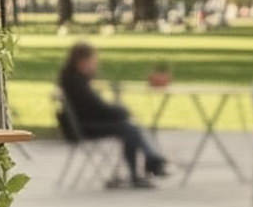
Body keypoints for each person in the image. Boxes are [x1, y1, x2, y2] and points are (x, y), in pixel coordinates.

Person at [55, 42, 170, 188]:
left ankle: (150, 161)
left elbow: (96, 108)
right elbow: (97, 108)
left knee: (129, 128)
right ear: (82, 62)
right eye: (93, 62)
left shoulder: (74, 80)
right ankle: (146, 166)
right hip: (84, 128)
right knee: (129, 129)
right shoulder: (76, 83)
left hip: (86, 123)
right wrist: (123, 112)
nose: (95, 66)